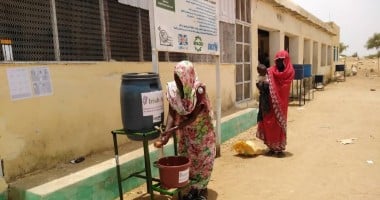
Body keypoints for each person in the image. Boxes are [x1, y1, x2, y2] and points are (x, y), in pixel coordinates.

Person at [154, 60, 216, 200]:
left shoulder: (198, 90)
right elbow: (171, 113)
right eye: (175, 77)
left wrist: (173, 130)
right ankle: (191, 190)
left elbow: (193, 117)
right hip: (186, 133)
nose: (177, 81)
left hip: (202, 132)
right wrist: (166, 133)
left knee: (203, 160)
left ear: (188, 76)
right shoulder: (173, 90)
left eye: (180, 78)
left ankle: (201, 190)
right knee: (188, 159)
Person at [256, 50, 295, 158]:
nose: (278, 63)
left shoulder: (289, 73)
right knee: (269, 124)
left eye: (281, 60)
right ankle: (271, 147)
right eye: (277, 60)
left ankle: (279, 148)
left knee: (278, 126)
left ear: (286, 61)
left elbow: (284, 89)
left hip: (281, 105)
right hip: (268, 103)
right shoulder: (270, 71)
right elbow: (261, 79)